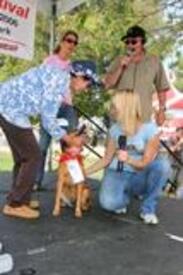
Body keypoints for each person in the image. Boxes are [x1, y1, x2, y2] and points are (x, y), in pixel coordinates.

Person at [0, 59, 98, 219]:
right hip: (10, 110)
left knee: (22, 157)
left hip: (6, 106)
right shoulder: (58, 83)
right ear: (80, 76)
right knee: (33, 157)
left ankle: (19, 198)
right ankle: (15, 204)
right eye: (89, 84)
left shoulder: (58, 77)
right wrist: (68, 139)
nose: (87, 89)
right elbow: (48, 120)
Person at [86, 91, 169, 225]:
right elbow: (106, 159)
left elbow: (145, 162)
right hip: (118, 172)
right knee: (109, 204)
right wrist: (84, 172)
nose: (111, 110)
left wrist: (128, 159)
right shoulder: (114, 129)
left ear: (125, 108)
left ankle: (148, 209)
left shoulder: (149, 129)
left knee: (163, 165)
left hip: (139, 174)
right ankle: (123, 197)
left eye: (114, 107)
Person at [35, 30, 79, 190]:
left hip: (67, 107)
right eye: (69, 40)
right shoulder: (49, 61)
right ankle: (36, 182)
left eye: (74, 43)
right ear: (61, 42)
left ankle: (72, 182)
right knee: (42, 146)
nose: (71, 45)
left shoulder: (72, 66)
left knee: (69, 145)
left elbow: (74, 86)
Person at [103, 25, 169, 125]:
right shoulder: (118, 60)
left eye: (134, 42)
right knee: (118, 141)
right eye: (127, 42)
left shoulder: (154, 61)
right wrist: (120, 67)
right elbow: (107, 84)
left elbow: (161, 88)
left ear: (143, 43)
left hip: (142, 117)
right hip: (119, 116)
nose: (130, 45)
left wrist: (162, 110)